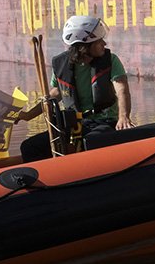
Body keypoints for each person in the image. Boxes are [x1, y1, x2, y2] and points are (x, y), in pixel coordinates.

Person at [18, 15, 135, 162]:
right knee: (29, 147)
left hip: (104, 121)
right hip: (74, 123)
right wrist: (28, 115)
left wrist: (123, 117)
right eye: (99, 42)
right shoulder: (62, 65)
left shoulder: (111, 60)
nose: (104, 44)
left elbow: (122, 89)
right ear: (84, 47)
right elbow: (54, 94)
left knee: (92, 142)